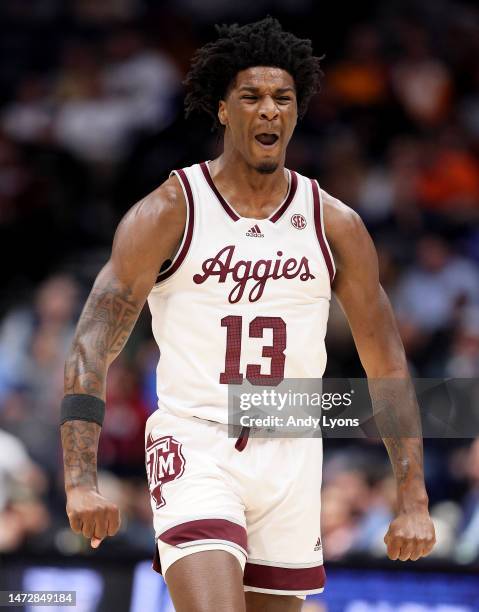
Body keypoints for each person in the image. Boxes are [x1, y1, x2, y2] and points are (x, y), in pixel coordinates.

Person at [60, 17, 436, 612]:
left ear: (297, 111)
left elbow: (385, 364)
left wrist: (412, 496)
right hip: (196, 439)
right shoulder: (168, 211)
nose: (269, 111)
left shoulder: (334, 224)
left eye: (282, 99)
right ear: (224, 110)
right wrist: (80, 481)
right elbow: (90, 346)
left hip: (291, 449)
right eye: (252, 97)